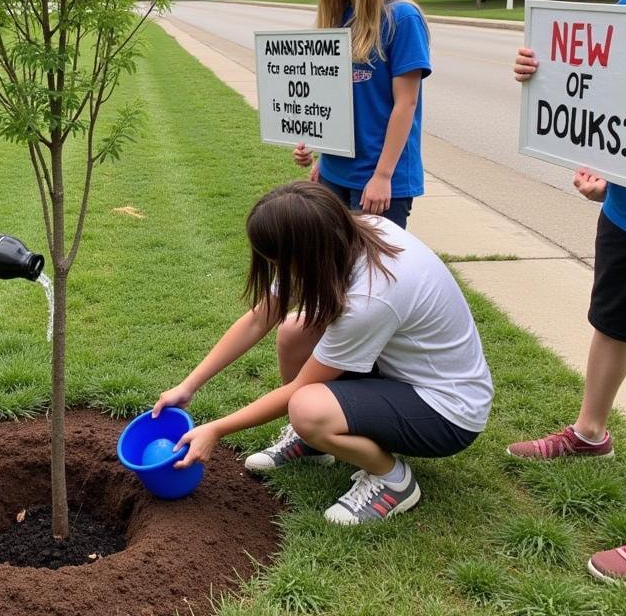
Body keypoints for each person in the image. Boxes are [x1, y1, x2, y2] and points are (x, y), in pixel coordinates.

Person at [152, 181, 492, 525]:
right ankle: (314, 444)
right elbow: (261, 318)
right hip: (400, 373)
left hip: (447, 409)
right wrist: (189, 385)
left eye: (277, 261)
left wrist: (216, 429)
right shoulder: (345, 234)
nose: (275, 270)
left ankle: (392, 479)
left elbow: (301, 388)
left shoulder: (372, 296)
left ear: (303, 253)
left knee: (307, 407)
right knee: (293, 330)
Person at [505, 0, 626, 585]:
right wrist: (540, 70)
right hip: (622, 214)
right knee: (611, 322)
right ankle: (589, 434)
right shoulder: (618, 15)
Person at [293, 0, 431, 230]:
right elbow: (332, 98)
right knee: (333, 273)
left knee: (372, 278)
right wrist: (320, 154)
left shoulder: (402, 18)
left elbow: (406, 103)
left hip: (381, 179)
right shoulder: (340, 15)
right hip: (334, 175)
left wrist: (383, 176)